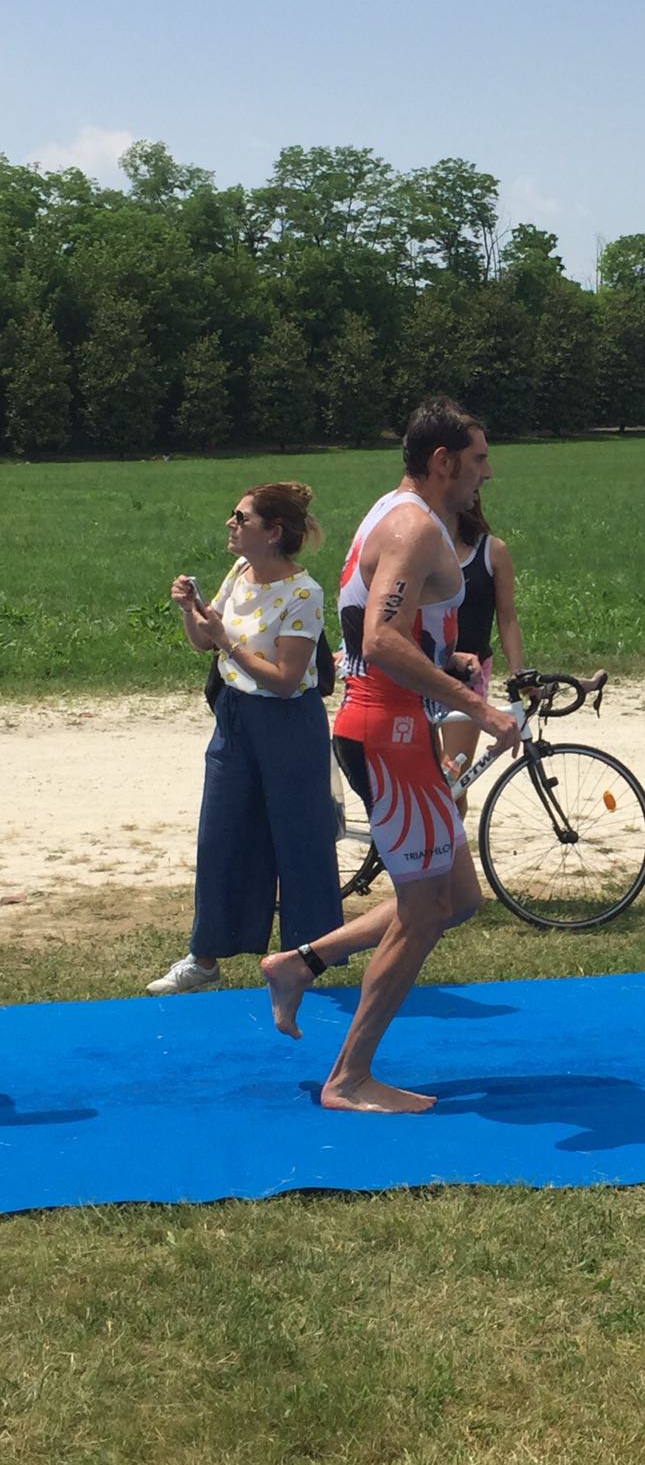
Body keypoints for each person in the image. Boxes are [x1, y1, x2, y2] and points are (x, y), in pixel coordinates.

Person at [261, 400, 520, 1112]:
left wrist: (448, 656)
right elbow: (377, 640)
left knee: (457, 898)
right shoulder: (413, 525)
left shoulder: (398, 513)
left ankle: (300, 963)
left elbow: (381, 624)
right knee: (426, 910)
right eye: (476, 461)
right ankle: (348, 1079)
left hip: (391, 725)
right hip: (389, 733)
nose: (485, 474)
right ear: (442, 462)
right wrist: (479, 706)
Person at [148, 483, 343, 993]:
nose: (231, 524)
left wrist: (224, 640)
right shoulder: (239, 573)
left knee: (300, 842)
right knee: (222, 836)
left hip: (288, 724)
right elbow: (204, 644)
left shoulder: (305, 593)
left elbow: (284, 678)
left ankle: (308, 961)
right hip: (235, 718)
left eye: (242, 518)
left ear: (273, 533)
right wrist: (191, 610)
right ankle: (204, 959)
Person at [441, 493, 525, 813]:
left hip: (470, 674)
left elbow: (507, 616)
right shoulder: (424, 550)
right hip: (426, 669)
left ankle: (446, 857)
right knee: (430, 777)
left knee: (453, 781)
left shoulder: (493, 552)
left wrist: (518, 672)